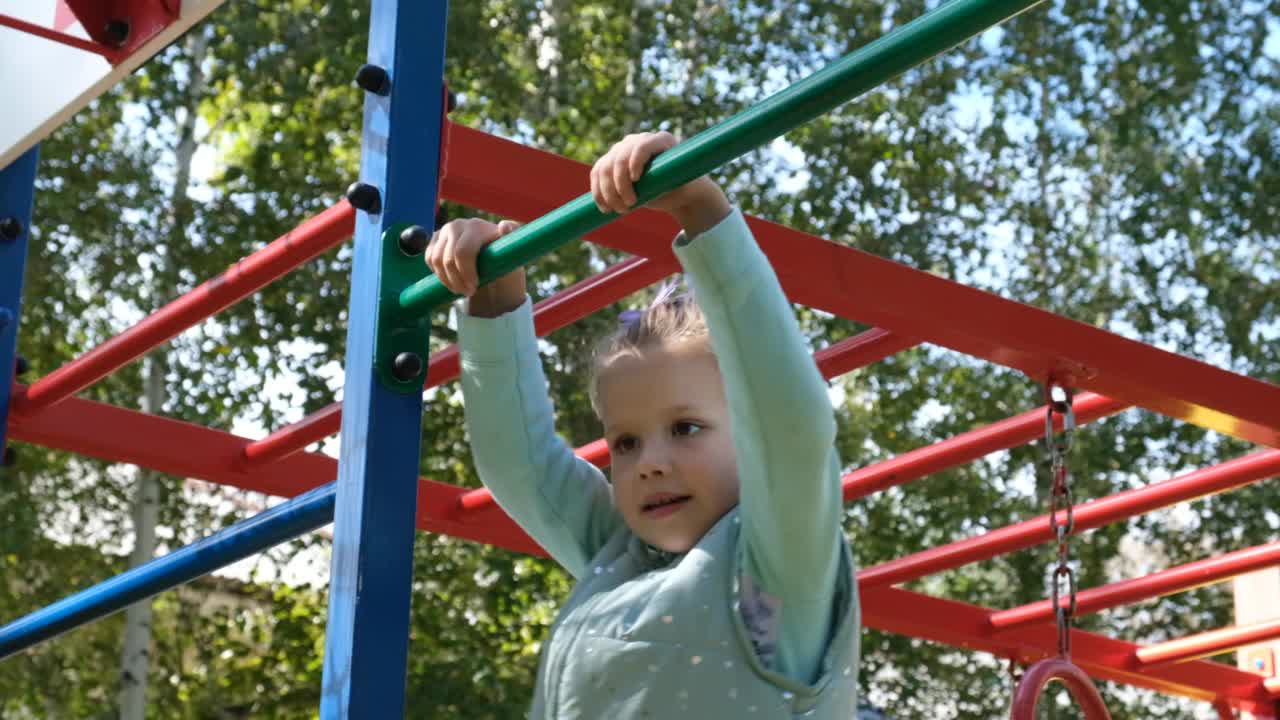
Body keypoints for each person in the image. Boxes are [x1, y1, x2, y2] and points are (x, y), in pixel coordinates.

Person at [427, 131, 859, 718]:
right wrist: (492, 304)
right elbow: (520, 465)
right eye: (625, 443)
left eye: (685, 428)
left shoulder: (777, 567)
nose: (648, 461)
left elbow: (792, 429)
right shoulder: (617, 551)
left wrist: (701, 210)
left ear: (751, 437)